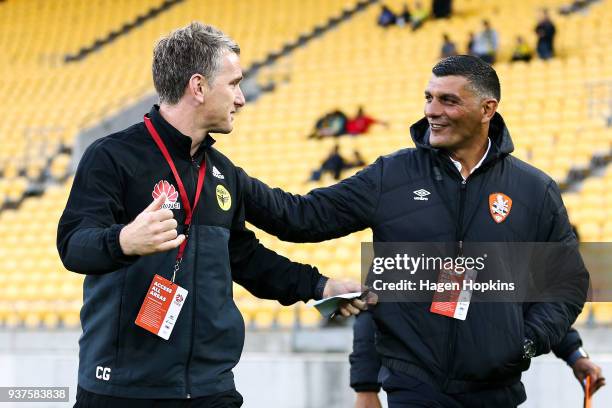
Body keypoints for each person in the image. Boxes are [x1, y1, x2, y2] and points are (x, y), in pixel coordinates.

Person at [239, 55, 589, 407]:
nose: (431, 111)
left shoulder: (534, 189)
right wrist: (229, 180)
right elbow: (301, 217)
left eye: (448, 100)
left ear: (487, 109)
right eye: (428, 98)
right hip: (415, 387)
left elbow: (567, 282)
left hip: (498, 389)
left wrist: (526, 341)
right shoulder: (391, 175)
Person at [57, 22, 367, 408]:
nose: (241, 98)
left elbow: (248, 255)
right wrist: (124, 240)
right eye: (234, 83)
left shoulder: (224, 173)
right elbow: (73, 244)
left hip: (210, 388)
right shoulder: (112, 156)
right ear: (199, 87)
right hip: (123, 390)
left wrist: (319, 287)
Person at [350, 312, 606, 408]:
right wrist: (366, 389)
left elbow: (541, 311)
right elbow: (373, 310)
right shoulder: (418, 235)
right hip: (423, 390)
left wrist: (576, 356)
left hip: (491, 391)